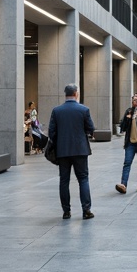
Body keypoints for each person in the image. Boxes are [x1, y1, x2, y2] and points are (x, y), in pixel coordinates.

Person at [47, 83, 94, 219]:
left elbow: (51, 132)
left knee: (64, 181)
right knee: (83, 179)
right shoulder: (84, 110)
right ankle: (86, 210)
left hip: (63, 151)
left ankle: (66, 211)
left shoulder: (57, 111)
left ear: (65, 94)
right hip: (80, 150)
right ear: (76, 94)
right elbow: (91, 128)